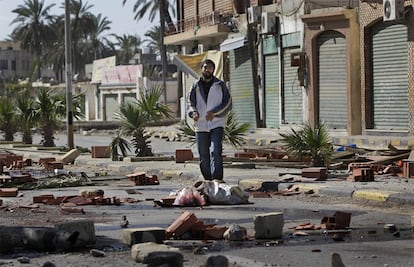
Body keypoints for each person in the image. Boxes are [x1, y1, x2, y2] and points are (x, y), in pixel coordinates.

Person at [187, 59, 232, 181]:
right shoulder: (195, 85)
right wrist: (193, 113)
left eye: (211, 67)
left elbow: (227, 103)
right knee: (203, 155)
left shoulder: (220, 85)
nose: (208, 70)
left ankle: (217, 179)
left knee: (215, 150)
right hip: (201, 124)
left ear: (213, 70)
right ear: (202, 69)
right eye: (205, 67)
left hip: (216, 123)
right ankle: (207, 179)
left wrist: (215, 113)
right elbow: (190, 102)